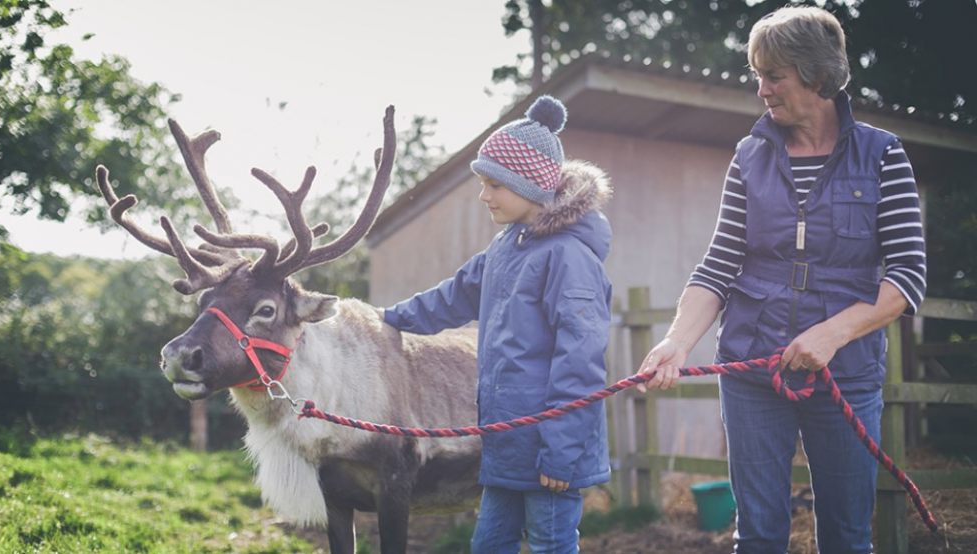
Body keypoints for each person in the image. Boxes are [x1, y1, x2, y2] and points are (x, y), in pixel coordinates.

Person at [636, 6, 926, 553]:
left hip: (845, 375)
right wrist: (676, 343)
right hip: (752, 371)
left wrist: (832, 333)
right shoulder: (749, 157)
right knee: (759, 535)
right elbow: (719, 265)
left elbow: (907, 277)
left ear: (817, 76)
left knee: (845, 535)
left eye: (774, 75)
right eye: (757, 75)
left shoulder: (882, 154)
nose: (761, 89)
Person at [382, 95, 613, 553]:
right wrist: (385, 320)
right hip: (504, 445)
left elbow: (581, 361)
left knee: (550, 544)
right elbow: (452, 296)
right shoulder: (506, 247)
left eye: (494, 185)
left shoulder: (568, 258)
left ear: (531, 186)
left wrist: (561, 453)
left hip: (550, 451)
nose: (484, 195)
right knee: (489, 544)